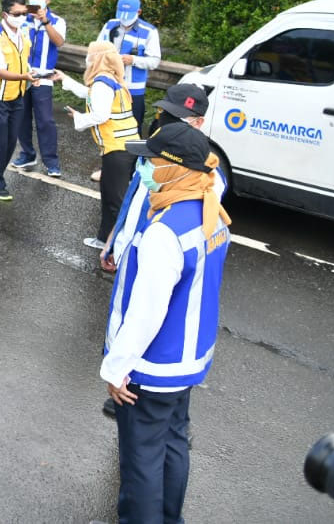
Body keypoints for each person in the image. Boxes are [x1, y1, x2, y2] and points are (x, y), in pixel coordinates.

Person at [100, 123, 232, 524]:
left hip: (152, 368)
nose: (144, 168)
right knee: (173, 445)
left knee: (141, 464)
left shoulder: (165, 231)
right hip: (188, 360)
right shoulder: (209, 208)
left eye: (150, 161)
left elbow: (147, 311)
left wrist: (116, 367)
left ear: (172, 168)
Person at [97, 84, 226, 420]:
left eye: (178, 117)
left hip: (158, 262)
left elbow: (151, 307)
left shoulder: (201, 171)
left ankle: (141, 400)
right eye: (166, 113)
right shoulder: (159, 152)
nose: (166, 121)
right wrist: (115, 240)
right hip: (136, 255)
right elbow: (134, 199)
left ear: (198, 123)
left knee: (147, 325)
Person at [61, 42, 139, 249]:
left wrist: (78, 117)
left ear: (97, 59)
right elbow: (91, 96)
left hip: (117, 148)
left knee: (113, 200)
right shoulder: (112, 79)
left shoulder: (101, 83)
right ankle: (106, 239)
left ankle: (112, 245)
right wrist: (65, 80)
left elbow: (100, 114)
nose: (87, 59)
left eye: (89, 55)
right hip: (128, 145)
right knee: (113, 196)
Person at [0, 0, 39, 202]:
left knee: (11, 140)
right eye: (17, 13)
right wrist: (25, 76)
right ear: (5, 15)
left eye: (25, 13)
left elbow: (23, 60)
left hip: (17, 94)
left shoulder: (23, 33)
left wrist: (31, 75)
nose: (22, 17)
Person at [11, 0, 66, 178]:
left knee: (45, 121)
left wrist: (45, 22)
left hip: (43, 78)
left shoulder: (57, 21)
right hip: (22, 76)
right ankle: (27, 154)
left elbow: (59, 42)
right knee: (21, 117)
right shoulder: (21, 20)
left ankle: (51, 162)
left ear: (47, 0)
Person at [97, 0, 162, 135]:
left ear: (139, 12)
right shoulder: (110, 25)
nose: (124, 19)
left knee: (132, 128)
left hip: (133, 90)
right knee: (107, 126)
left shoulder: (149, 31)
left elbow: (154, 61)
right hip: (109, 85)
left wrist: (133, 60)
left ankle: (134, 157)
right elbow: (96, 50)